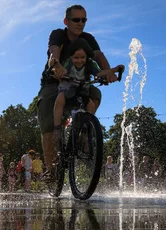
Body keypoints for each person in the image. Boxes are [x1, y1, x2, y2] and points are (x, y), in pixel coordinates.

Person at [37, 5, 117, 178]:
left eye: (84, 20)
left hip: (80, 84)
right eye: (76, 20)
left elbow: (99, 56)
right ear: (67, 21)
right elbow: (54, 53)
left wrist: (108, 72)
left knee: (96, 94)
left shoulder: (88, 38)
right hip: (54, 83)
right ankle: (50, 170)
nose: (80, 23)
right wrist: (56, 65)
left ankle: (82, 130)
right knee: (48, 118)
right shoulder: (58, 34)